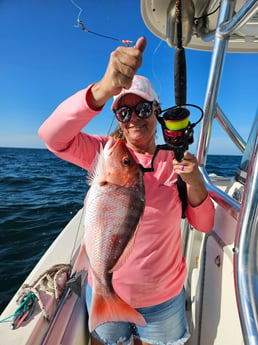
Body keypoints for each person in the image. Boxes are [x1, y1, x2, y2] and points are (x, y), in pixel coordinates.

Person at [38, 36, 215, 345]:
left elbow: (204, 224)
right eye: (124, 113)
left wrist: (197, 184)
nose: (133, 119)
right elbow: (52, 137)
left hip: (163, 298)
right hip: (104, 288)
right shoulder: (105, 152)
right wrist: (103, 89)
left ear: (157, 111)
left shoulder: (173, 161)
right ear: (117, 118)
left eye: (143, 109)